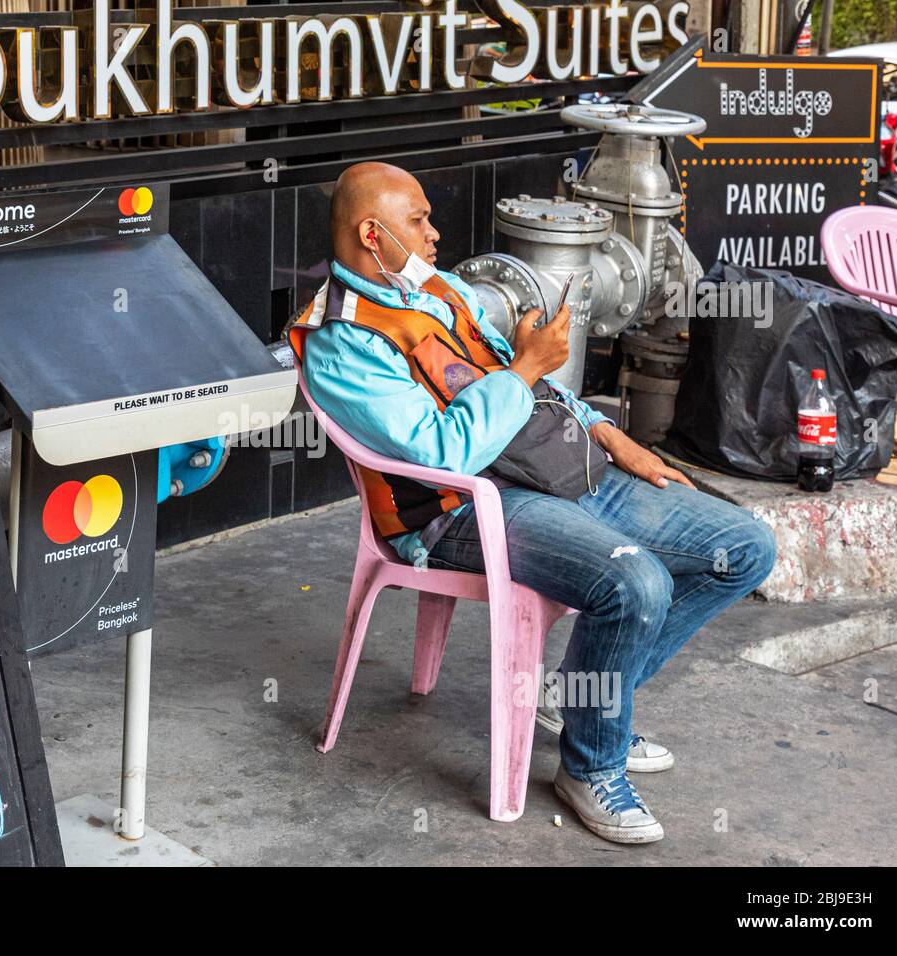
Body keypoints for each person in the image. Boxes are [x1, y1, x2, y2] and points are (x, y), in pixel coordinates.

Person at [288, 162, 776, 845]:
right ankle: (591, 764)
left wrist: (610, 433)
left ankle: (578, 696)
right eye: (419, 221)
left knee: (744, 548)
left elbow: (524, 384)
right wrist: (525, 367)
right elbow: (443, 454)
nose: (435, 234)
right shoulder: (344, 339)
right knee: (635, 583)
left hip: (550, 464)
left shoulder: (437, 289)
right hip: (459, 511)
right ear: (373, 234)